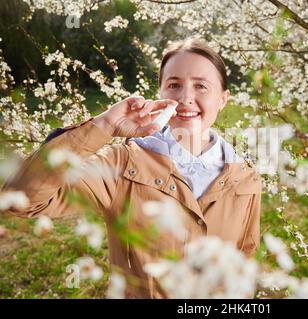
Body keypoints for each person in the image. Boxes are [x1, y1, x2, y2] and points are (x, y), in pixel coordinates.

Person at [1, 38, 262, 298]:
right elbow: (22, 200)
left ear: (223, 99)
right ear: (161, 93)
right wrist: (104, 126)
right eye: (174, 85)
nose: (185, 98)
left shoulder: (245, 177)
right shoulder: (123, 164)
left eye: (201, 86)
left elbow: (245, 256)